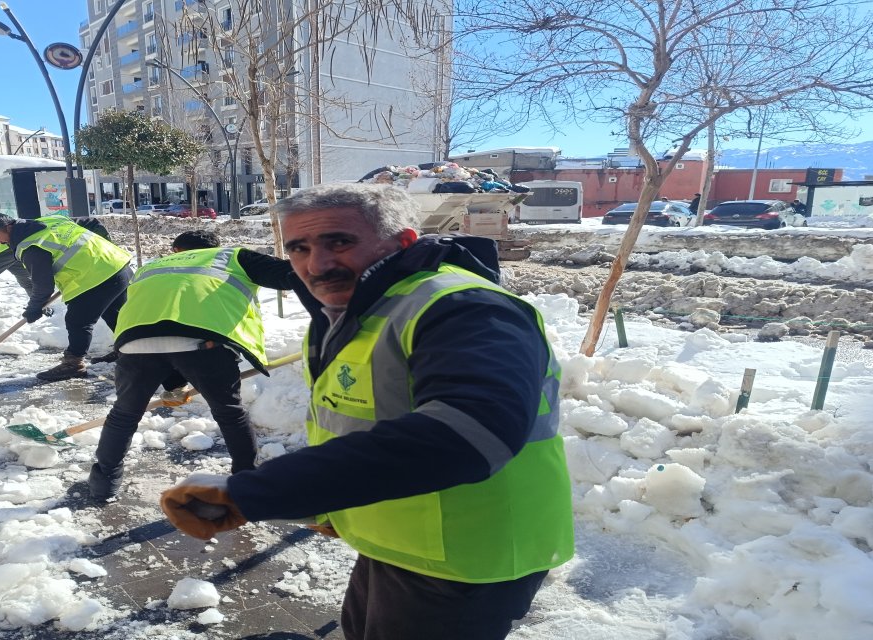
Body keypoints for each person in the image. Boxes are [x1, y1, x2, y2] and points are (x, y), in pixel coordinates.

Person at [159, 183, 574, 640]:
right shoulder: (357, 311)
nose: (317, 264)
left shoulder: (464, 308)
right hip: (403, 542)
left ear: (403, 242)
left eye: (340, 241)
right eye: (299, 248)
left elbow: (467, 435)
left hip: (468, 560)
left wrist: (256, 492)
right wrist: (332, 500)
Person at [89, 229, 297, 501]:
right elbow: (292, 275)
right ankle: (246, 482)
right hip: (202, 346)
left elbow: (163, 320)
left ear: (176, 250)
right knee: (229, 412)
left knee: (124, 415)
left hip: (134, 344)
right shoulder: (232, 257)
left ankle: (102, 484)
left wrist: (175, 385)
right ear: (215, 246)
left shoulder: (152, 266)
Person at [0, 212, 133, 381]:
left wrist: (34, 308)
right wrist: (105, 248)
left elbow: (43, 285)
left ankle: (73, 364)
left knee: (78, 321)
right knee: (114, 315)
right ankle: (130, 352)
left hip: (95, 277)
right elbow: (91, 222)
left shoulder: (30, 246)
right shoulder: (52, 220)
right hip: (117, 264)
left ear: (8, 228)